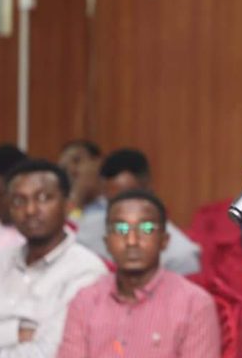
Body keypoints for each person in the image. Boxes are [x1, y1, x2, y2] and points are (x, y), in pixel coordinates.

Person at [0, 159, 106, 356]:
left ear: (67, 205)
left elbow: (48, 352)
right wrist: (13, 333)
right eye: (18, 200)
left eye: (43, 198)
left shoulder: (86, 271)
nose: (30, 210)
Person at [58, 189, 220, 357]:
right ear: (107, 242)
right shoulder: (85, 301)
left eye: (146, 228)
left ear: (164, 240)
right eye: (121, 229)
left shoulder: (194, 304)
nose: (132, 240)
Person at [76, 148, 201, 275]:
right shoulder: (87, 230)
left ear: (147, 189)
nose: (119, 210)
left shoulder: (180, 255)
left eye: (128, 200)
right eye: (110, 202)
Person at [58, 139, 103, 222]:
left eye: (77, 161)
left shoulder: (112, 201)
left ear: (98, 162)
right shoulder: (62, 210)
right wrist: (77, 200)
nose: (71, 170)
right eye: (65, 168)